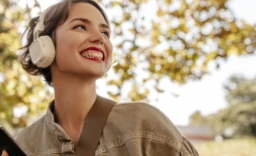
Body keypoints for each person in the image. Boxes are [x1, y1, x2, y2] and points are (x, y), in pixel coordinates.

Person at [2, 0, 199, 155]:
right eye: (80, 27)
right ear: (44, 47)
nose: (100, 38)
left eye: (105, 32)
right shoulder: (25, 145)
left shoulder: (144, 124)